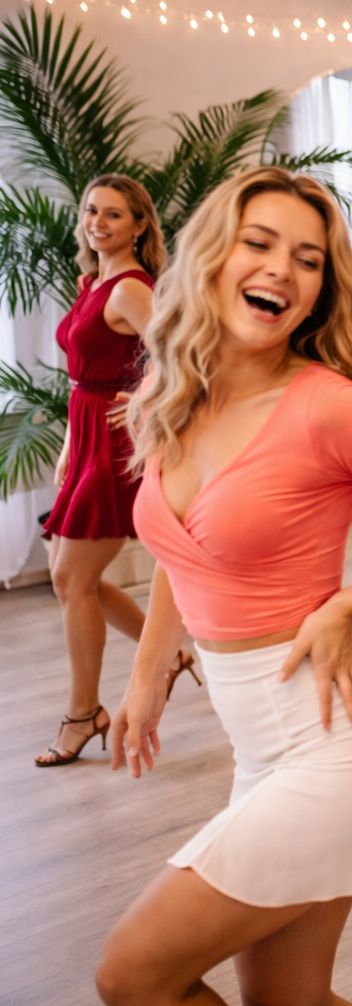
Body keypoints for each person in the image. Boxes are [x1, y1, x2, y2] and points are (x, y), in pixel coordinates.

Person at [96, 166, 352, 1006]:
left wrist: (348, 602)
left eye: (309, 259)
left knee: (132, 975)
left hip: (336, 741)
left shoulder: (328, 407)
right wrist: (145, 677)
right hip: (257, 746)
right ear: (213, 257)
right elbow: (188, 554)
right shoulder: (173, 399)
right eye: (259, 244)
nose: (282, 270)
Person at [35, 175, 196, 767]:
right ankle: (170, 653)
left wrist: (150, 398)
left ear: (139, 226)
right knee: (71, 577)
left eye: (113, 214)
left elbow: (182, 350)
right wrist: (68, 447)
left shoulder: (129, 288)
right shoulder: (93, 281)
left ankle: (83, 714)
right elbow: (84, 374)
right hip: (86, 437)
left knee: (70, 580)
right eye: (91, 210)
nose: (97, 222)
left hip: (114, 442)